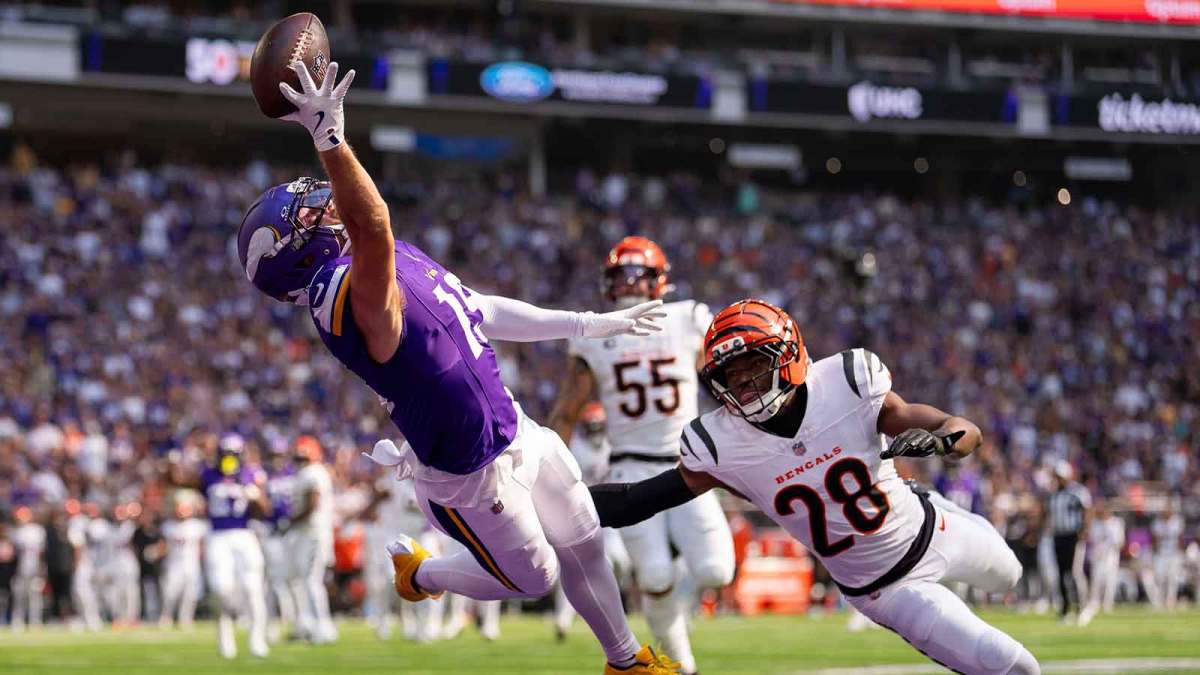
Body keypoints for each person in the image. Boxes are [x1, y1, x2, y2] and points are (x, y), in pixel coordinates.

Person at [245, 60, 675, 673]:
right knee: (536, 577)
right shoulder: (339, 292)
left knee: (584, 535)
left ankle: (626, 661)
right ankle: (423, 574)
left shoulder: (380, 260)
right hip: (468, 473)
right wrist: (329, 139)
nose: (325, 208)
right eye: (310, 216)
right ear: (295, 253)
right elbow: (373, 223)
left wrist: (584, 323)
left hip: (510, 424)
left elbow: (476, 309)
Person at [589, 300, 1040, 675]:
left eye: (754, 368)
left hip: (934, 527)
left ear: (789, 356)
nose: (744, 385)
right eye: (732, 376)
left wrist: (946, 441)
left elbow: (959, 428)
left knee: (1011, 574)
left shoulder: (847, 382)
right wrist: (552, 501)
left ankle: (928, 497)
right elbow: (639, 500)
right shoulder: (722, 443)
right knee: (1017, 668)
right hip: (886, 589)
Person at [548, 237, 734, 674]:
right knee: (652, 578)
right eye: (621, 277)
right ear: (608, 284)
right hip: (632, 467)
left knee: (716, 571)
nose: (630, 286)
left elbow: (721, 381)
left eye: (639, 276)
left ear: (660, 282)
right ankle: (683, 665)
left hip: (689, 463)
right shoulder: (595, 334)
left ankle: (676, 617)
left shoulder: (689, 317)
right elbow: (567, 411)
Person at [165, 433, 271, 658]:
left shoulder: (251, 475)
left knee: (253, 589)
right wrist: (173, 456)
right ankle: (225, 637)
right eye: (225, 454)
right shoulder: (209, 475)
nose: (229, 459)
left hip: (244, 534)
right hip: (218, 536)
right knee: (221, 590)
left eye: (233, 454)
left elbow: (266, 510)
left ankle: (257, 640)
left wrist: (254, 496)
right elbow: (177, 479)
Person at [552, 403, 632, 642]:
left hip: (608, 512)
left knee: (621, 562)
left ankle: (604, 606)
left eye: (599, 426)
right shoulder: (575, 447)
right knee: (575, 567)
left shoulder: (613, 445)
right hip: (579, 514)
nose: (596, 431)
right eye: (591, 426)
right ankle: (563, 619)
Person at [282, 435, 338, 644]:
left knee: (312, 581)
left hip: (314, 532)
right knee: (302, 581)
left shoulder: (314, 473)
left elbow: (313, 503)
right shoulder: (305, 473)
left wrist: (290, 522)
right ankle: (307, 624)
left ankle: (324, 628)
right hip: (307, 533)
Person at [1046, 461, 1090, 623]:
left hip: (1073, 536)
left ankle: (1082, 607)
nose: (1057, 480)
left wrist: (1083, 531)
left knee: (1074, 572)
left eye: (1059, 477)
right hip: (1059, 535)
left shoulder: (1077, 492)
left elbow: (1087, 511)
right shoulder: (1053, 495)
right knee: (1061, 573)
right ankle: (1065, 609)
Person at [158, 499, 208, 629]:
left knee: (190, 594)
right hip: (173, 564)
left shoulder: (197, 526)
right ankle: (166, 616)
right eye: (180, 509)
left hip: (192, 564)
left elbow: (202, 546)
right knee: (170, 593)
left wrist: (203, 561)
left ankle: (185, 618)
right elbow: (163, 546)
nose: (182, 512)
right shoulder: (168, 526)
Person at [1079, 500, 1123, 626]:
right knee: (1096, 581)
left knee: (1110, 582)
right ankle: (1094, 602)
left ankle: (1107, 604)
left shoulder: (1116, 523)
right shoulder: (1095, 524)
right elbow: (1091, 539)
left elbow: (1119, 542)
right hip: (1097, 556)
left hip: (1111, 556)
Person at [10, 506, 46, 631]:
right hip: (20, 568)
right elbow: (14, 553)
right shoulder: (16, 531)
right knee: (19, 595)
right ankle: (18, 620)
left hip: (34, 567)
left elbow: (41, 552)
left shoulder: (38, 530)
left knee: (35, 595)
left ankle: (35, 621)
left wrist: (41, 569)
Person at [1151, 503, 1184, 610]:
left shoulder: (1177, 521)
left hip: (1174, 553)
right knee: (1160, 577)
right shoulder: (1157, 522)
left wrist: (1180, 552)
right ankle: (1160, 600)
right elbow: (1154, 539)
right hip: (1161, 553)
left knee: (1172, 577)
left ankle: (1171, 600)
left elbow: (1180, 538)